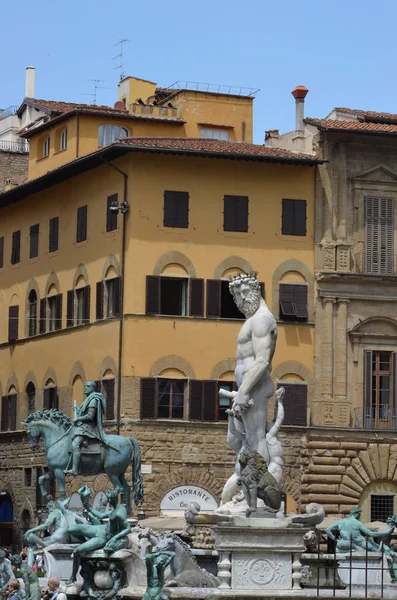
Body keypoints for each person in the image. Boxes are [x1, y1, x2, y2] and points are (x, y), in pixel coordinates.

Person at [219, 272, 278, 504]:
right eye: (237, 295)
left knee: (255, 439)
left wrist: (244, 391)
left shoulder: (263, 319)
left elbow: (262, 360)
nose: (243, 298)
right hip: (245, 388)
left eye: (246, 292)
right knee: (237, 440)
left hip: (254, 387)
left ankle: (256, 493)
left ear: (257, 291)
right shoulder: (251, 320)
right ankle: (246, 481)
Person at [68, 489, 131, 583]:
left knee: (77, 550)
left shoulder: (119, 513)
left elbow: (128, 528)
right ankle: (87, 543)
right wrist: (88, 508)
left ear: (111, 499)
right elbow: (101, 515)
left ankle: (73, 577)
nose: (105, 501)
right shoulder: (115, 509)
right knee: (71, 529)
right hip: (101, 528)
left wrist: (115, 538)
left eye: (107, 498)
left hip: (103, 537)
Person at [64, 381, 107, 475]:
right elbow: (85, 413)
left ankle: (75, 469)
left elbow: (90, 416)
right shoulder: (88, 399)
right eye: (85, 386)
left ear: (93, 388)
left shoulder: (93, 400)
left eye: (88, 386)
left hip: (88, 428)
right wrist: (78, 411)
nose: (85, 388)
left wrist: (77, 418)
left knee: (75, 444)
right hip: (83, 426)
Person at [326, 507, 396, 553]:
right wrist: (387, 532)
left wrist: (336, 540)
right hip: (361, 543)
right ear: (357, 514)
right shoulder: (358, 523)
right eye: (359, 514)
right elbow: (371, 534)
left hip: (347, 543)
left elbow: (327, 530)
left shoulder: (340, 522)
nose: (360, 516)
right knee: (380, 551)